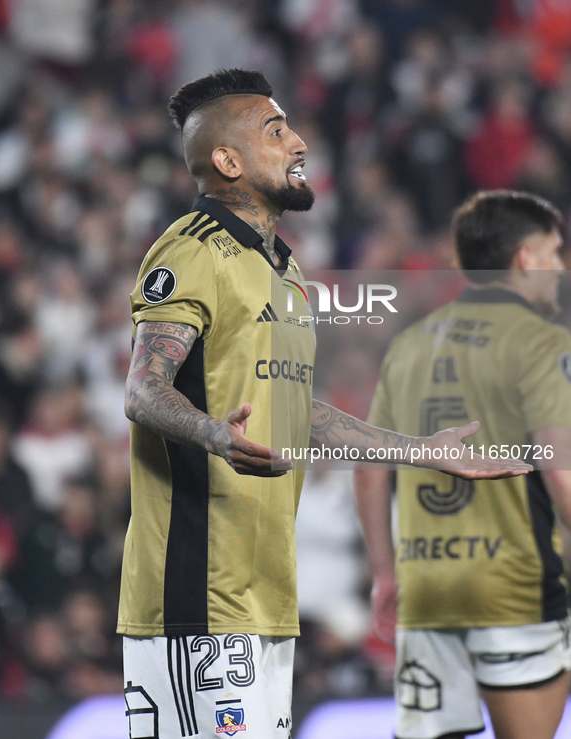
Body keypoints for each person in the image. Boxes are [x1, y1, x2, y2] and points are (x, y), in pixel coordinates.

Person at [118, 70, 529, 739]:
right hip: (195, 597)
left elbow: (294, 409)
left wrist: (419, 451)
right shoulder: (190, 249)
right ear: (227, 160)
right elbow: (142, 388)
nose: (299, 142)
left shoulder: (284, 270)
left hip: (265, 596)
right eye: (275, 131)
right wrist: (214, 434)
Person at [355, 190, 571, 739]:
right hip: (515, 588)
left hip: (427, 585)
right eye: (554, 253)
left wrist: (386, 573)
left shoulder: (408, 343)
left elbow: (370, 467)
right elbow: (561, 476)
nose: (560, 268)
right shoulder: (544, 342)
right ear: (525, 258)